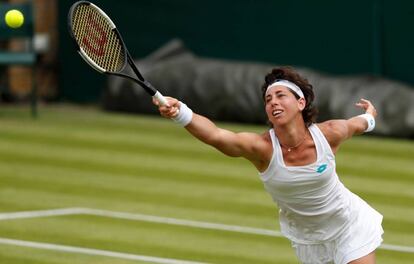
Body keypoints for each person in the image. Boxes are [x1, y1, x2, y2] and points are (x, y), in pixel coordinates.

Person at [154, 66, 383, 264]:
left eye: (281, 95)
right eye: (268, 99)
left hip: (350, 224)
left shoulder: (330, 132)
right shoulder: (262, 149)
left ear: (300, 102)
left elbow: (358, 124)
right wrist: (180, 112)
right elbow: (216, 135)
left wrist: (370, 116)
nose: (273, 101)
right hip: (309, 238)